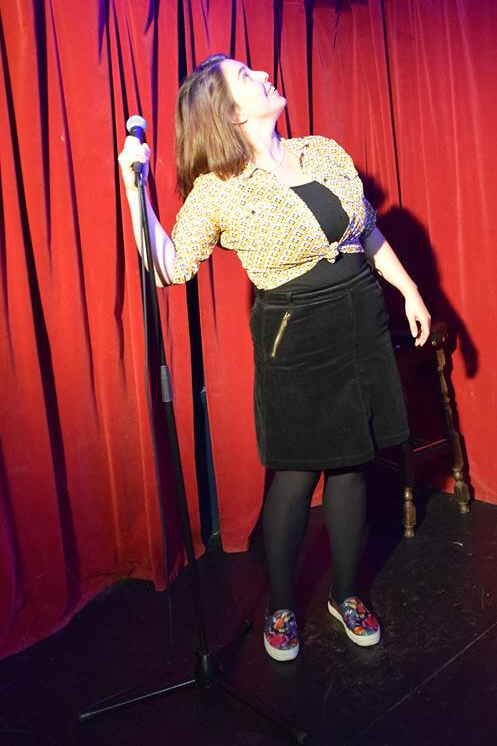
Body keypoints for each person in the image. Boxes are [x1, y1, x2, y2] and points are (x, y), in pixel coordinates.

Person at [118, 53, 431, 662]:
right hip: (295, 335)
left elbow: (367, 230)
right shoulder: (217, 190)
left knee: (353, 464)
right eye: (246, 77)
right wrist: (135, 193)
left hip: (359, 318)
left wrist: (409, 288)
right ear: (231, 114)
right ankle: (282, 604)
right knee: (297, 473)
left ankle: (346, 594)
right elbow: (169, 267)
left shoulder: (323, 151)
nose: (263, 75)